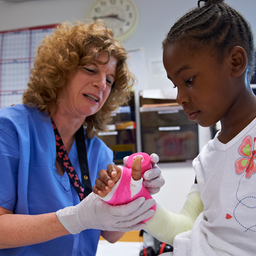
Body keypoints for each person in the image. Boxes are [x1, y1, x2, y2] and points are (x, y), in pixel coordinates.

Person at [93, 0, 256, 255]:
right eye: (175, 85)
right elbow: (183, 228)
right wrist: (134, 197)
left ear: (235, 62)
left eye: (189, 80)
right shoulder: (208, 160)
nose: (180, 97)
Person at [0, 20, 166, 256]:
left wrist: (136, 190)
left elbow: (111, 234)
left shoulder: (98, 151)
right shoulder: (10, 130)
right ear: (61, 70)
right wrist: (76, 218)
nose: (101, 84)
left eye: (109, 80)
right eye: (90, 69)